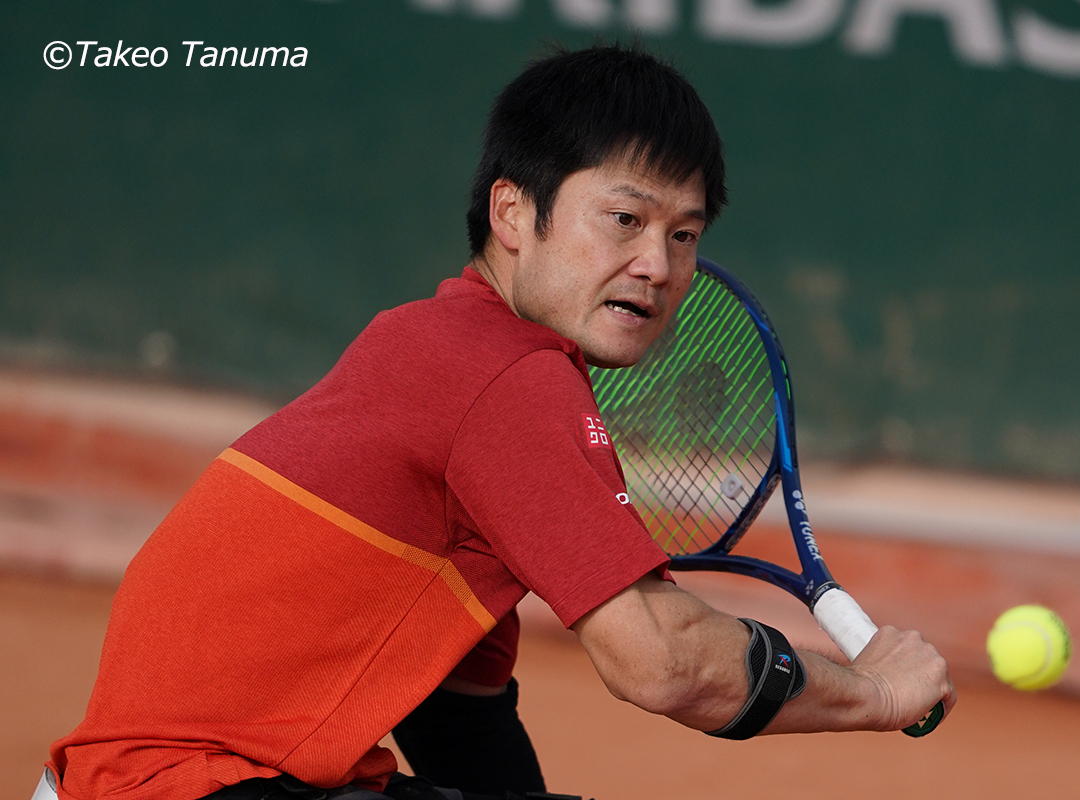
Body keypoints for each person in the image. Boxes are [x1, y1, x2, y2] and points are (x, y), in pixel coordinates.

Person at [43, 44, 955, 800]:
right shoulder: (507, 380)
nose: (657, 263)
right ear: (513, 211)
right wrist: (873, 690)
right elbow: (665, 661)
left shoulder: (433, 343)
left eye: (684, 235)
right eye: (625, 218)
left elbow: (457, 717)